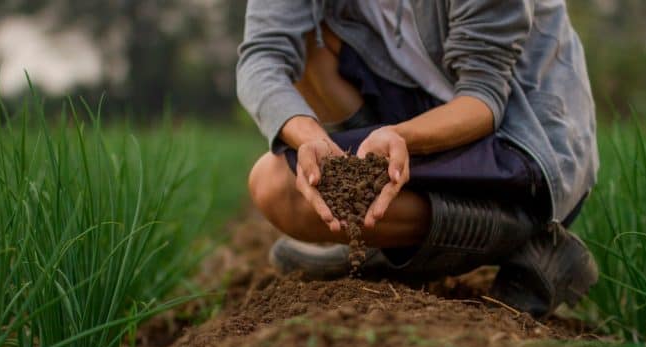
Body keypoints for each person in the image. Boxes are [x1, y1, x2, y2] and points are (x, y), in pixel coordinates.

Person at [237, 0, 599, 318]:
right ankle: (388, 237)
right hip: (411, 104)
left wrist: (403, 138)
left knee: (277, 188)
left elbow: (483, 95)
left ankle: (524, 230)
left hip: (518, 135)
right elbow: (263, 55)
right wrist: (312, 139)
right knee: (305, 49)